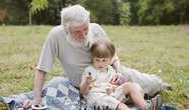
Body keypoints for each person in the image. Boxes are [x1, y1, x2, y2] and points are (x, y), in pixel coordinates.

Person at [27, 4, 169, 108]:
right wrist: (37, 99)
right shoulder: (55, 36)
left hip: (111, 74)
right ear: (66, 28)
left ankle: (159, 84)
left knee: (151, 84)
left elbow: (113, 57)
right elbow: (41, 70)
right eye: (77, 31)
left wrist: (118, 73)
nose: (83, 34)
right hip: (88, 86)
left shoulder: (95, 29)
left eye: (85, 28)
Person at [80, 39, 147, 110]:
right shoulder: (90, 71)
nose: (100, 63)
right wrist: (87, 83)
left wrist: (113, 87)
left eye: (104, 60)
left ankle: (145, 107)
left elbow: (116, 86)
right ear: (92, 58)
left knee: (129, 85)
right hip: (98, 99)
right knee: (120, 105)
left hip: (111, 95)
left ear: (110, 59)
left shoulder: (111, 70)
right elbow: (83, 91)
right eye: (97, 60)